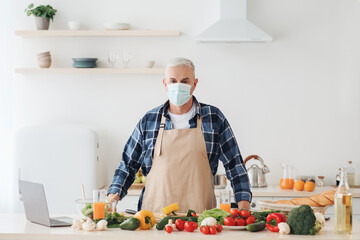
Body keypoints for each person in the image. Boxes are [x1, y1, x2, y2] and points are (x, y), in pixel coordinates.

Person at [107, 57, 251, 213]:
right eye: (173, 81)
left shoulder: (213, 118)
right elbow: (127, 166)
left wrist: (244, 206)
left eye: (184, 81)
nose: (178, 86)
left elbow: (234, 165)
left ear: (194, 84)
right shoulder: (149, 120)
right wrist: (111, 200)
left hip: (201, 222)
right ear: (165, 84)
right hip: (152, 220)